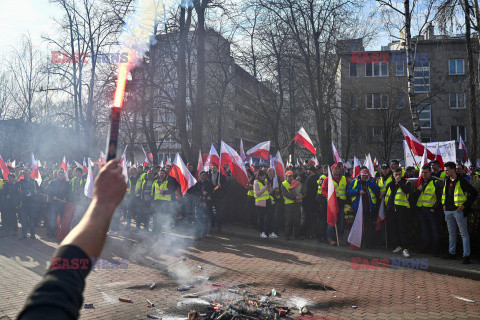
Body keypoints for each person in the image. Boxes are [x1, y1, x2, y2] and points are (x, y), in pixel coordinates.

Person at [17, 159, 126, 319]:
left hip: (69, 203)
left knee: (68, 222)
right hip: (58, 204)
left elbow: (59, 283)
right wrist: (101, 204)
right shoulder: (57, 182)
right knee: (57, 222)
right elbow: (61, 281)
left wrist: (99, 204)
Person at [441, 161, 478, 264]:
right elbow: (444, 194)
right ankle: (451, 253)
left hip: (458, 211)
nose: (446, 172)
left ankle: (466, 256)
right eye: (445, 170)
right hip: (448, 211)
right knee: (451, 233)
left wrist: (465, 205)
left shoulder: (462, 180)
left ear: (453, 170)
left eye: (447, 170)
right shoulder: (446, 180)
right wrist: (443, 204)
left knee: (463, 234)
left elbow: (474, 193)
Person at [413, 165, 443, 256]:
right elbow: (414, 196)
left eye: (426, 172)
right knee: (425, 231)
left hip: (431, 211)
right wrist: (418, 190)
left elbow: (440, 197)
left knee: (435, 231)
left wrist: (434, 208)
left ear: (430, 172)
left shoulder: (436, 182)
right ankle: (426, 248)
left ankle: (436, 250)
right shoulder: (420, 183)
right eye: (422, 172)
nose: (424, 174)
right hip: (422, 210)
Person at [347, 169, 380, 248]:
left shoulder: (371, 182)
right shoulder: (354, 182)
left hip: (369, 208)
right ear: (360, 175)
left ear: (368, 175)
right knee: (358, 226)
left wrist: (368, 182)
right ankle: (359, 242)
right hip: (358, 208)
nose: (364, 177)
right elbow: (348, 191)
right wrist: (358, 191)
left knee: (369, 226)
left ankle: (369, 243)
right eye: (363, 175)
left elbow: (377, 189)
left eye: (365, 175)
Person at [384, 168, 412, 258]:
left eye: (399, 174)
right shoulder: (390, 184)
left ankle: (405, 248)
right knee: (394, 229)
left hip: (402, 210)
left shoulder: (406, 183)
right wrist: (388, 208)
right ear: (393, 175)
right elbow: (387, 197)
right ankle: (398, 246)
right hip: (392, 210)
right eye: (396, 174)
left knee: (403, 230)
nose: (398, 176)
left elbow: (406, 191)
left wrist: (399, 183)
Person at [321, 164, 349, 246]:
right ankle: (330, 238)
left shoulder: (344, 179)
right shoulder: (327, 179)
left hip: (341, 203)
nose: (337, 170)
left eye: (338, 169)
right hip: (332, 203)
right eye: (335, 169)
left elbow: (348, 189)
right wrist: (329, 196)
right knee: (331, 220)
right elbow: (323, 190)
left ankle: (339, 238)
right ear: (331, 170)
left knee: (340, 221)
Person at [187, 171, 214, 239]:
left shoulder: (209, 183)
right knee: (198, 219)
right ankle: (198, 234)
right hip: (198, 203)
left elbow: (213, 192)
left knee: (206, 219)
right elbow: (192, 192)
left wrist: (208, 195)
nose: (204, 176)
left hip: (206, 204)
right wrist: (201, 193)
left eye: (205, 175)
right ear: (199, 176)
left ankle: (205, 233)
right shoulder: (196, 184)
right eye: (202, 175)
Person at [281, 171, 304, 240]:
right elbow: (285, 194)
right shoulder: (283, 184)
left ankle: (297, 235)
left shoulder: (297, 182)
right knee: (288, 220)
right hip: (289, 205)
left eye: (291, 176)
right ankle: (287, 236)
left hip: (297, 204)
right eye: (289, 176)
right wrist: (295, 198)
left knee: (297, 220)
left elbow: (301, 190)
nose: (290, 177)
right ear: (286, 176)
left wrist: (300, 195)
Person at [47, 170, 70, 238]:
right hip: (55, 203)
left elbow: (69, 192)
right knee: (53, 219)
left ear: (64, 176)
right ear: (57, 175)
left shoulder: (67, 183)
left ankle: (62, 234)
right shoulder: (53, 182)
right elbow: (48, 191)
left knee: (63, 219)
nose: (61, 176)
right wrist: (53, 196)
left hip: (62, 204)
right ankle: (52, 233)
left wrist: (66, 198)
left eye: (62, 175)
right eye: (59, 175)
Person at [152, 169, 175, 233]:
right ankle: (158, 230)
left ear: (165, 174)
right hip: (157, 202)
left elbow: (172, 190)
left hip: (166, 202)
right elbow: (153, 192)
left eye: (163, 173)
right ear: (158, 174)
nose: (161, 174)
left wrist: (165, 192)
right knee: (158, 216)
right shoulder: (156, 182)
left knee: (166, 217)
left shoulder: (168, 181)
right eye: (160, 173)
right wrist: (153, 201)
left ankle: (167, 231)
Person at [18, 169, 39, 239]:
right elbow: (18, 191)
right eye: (25, 174)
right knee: (24, 220)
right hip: (24, 203)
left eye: (28, 173)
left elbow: (39, 190)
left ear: (30, 174)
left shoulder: (34, 182)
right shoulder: (21, 182)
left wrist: (37, 192)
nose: (27, 175)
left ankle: (32, 234)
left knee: (32, 220)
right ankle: (24, 234)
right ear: (23, 175)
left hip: (32, 203)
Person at [207, 163, 228, 233]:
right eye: (212, 168)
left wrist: (221, 186)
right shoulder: (208, 176)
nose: (213, 169)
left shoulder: (221, 177)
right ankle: (212, 225)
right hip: (211, 197)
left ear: (217, 168)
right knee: (211, 212)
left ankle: (219, 227)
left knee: (219, 213)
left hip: (220, 198)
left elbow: (226, 186)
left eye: (215, 168)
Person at [254, 170, 274, 239]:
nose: (262, 177)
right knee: (261, 218)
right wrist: (264, 188)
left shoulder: (265, 181)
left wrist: (269, 188)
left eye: (263, 175)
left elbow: (269, 191)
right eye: (261, 175)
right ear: (258, 176)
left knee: (270, 217)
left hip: (267, 201)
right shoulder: (256, 183)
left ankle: (270, 232)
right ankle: (261, 232)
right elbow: (257, 193)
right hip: (260, 203)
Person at [303, 165, 319, 239]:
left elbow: (306, 190)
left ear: (311, 171)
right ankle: (314, 233)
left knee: (308, 217)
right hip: (315, 200)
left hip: (309, 200)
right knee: (314, 218)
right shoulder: (318, 177)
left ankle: (308, 233)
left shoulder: (310, 179)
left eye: (308, 170)